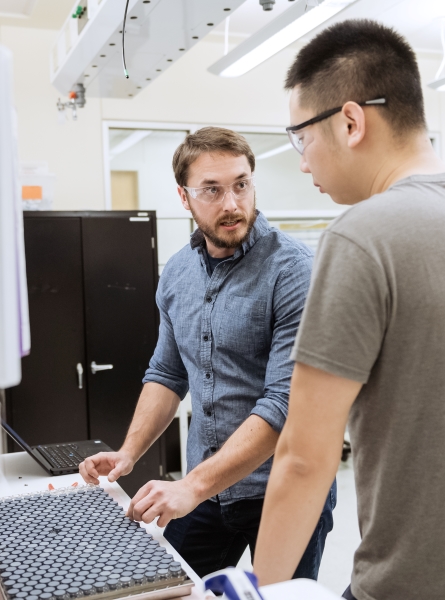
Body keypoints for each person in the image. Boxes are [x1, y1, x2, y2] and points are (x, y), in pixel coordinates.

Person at [253, 19, 445, 600]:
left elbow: (303, 458)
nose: (303, 162)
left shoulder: (360, 237)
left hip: (427, 584)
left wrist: (260, 590)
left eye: (302, 137)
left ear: (351, 122)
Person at [78, 127, 336, 579]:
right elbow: (166, 372)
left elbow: (283, 403)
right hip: (209, 491)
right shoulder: (177, 272)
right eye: (212, 190)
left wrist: (190, 486)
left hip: (283, 489)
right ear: (184, 197)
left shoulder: (293, 271)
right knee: (172, 587)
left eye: (241, 184)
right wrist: (129, 453)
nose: (232, 203)